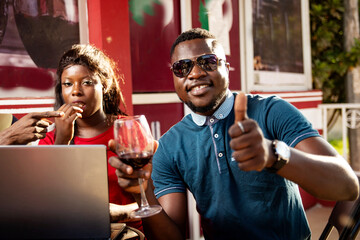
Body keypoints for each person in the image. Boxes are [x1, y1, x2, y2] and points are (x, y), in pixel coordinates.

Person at [108, 28, 360, 240]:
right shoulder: (169, 146)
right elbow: (172, 236)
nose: (195, 73)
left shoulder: (271, 111)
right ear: (174, 78)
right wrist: (145, 194)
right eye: (182, 67)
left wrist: (273, 155)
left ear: (227, 68)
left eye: (207, 62)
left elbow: (347, 187)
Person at [38, 44, 142, 231]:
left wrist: (122, 212)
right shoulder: (49, 139)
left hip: (128, 232)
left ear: (104, 84)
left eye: (86, 82)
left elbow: (154, 200)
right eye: (68, 84)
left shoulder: (128, 129)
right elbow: (44, 204)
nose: (76, 91)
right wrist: (61, 141)